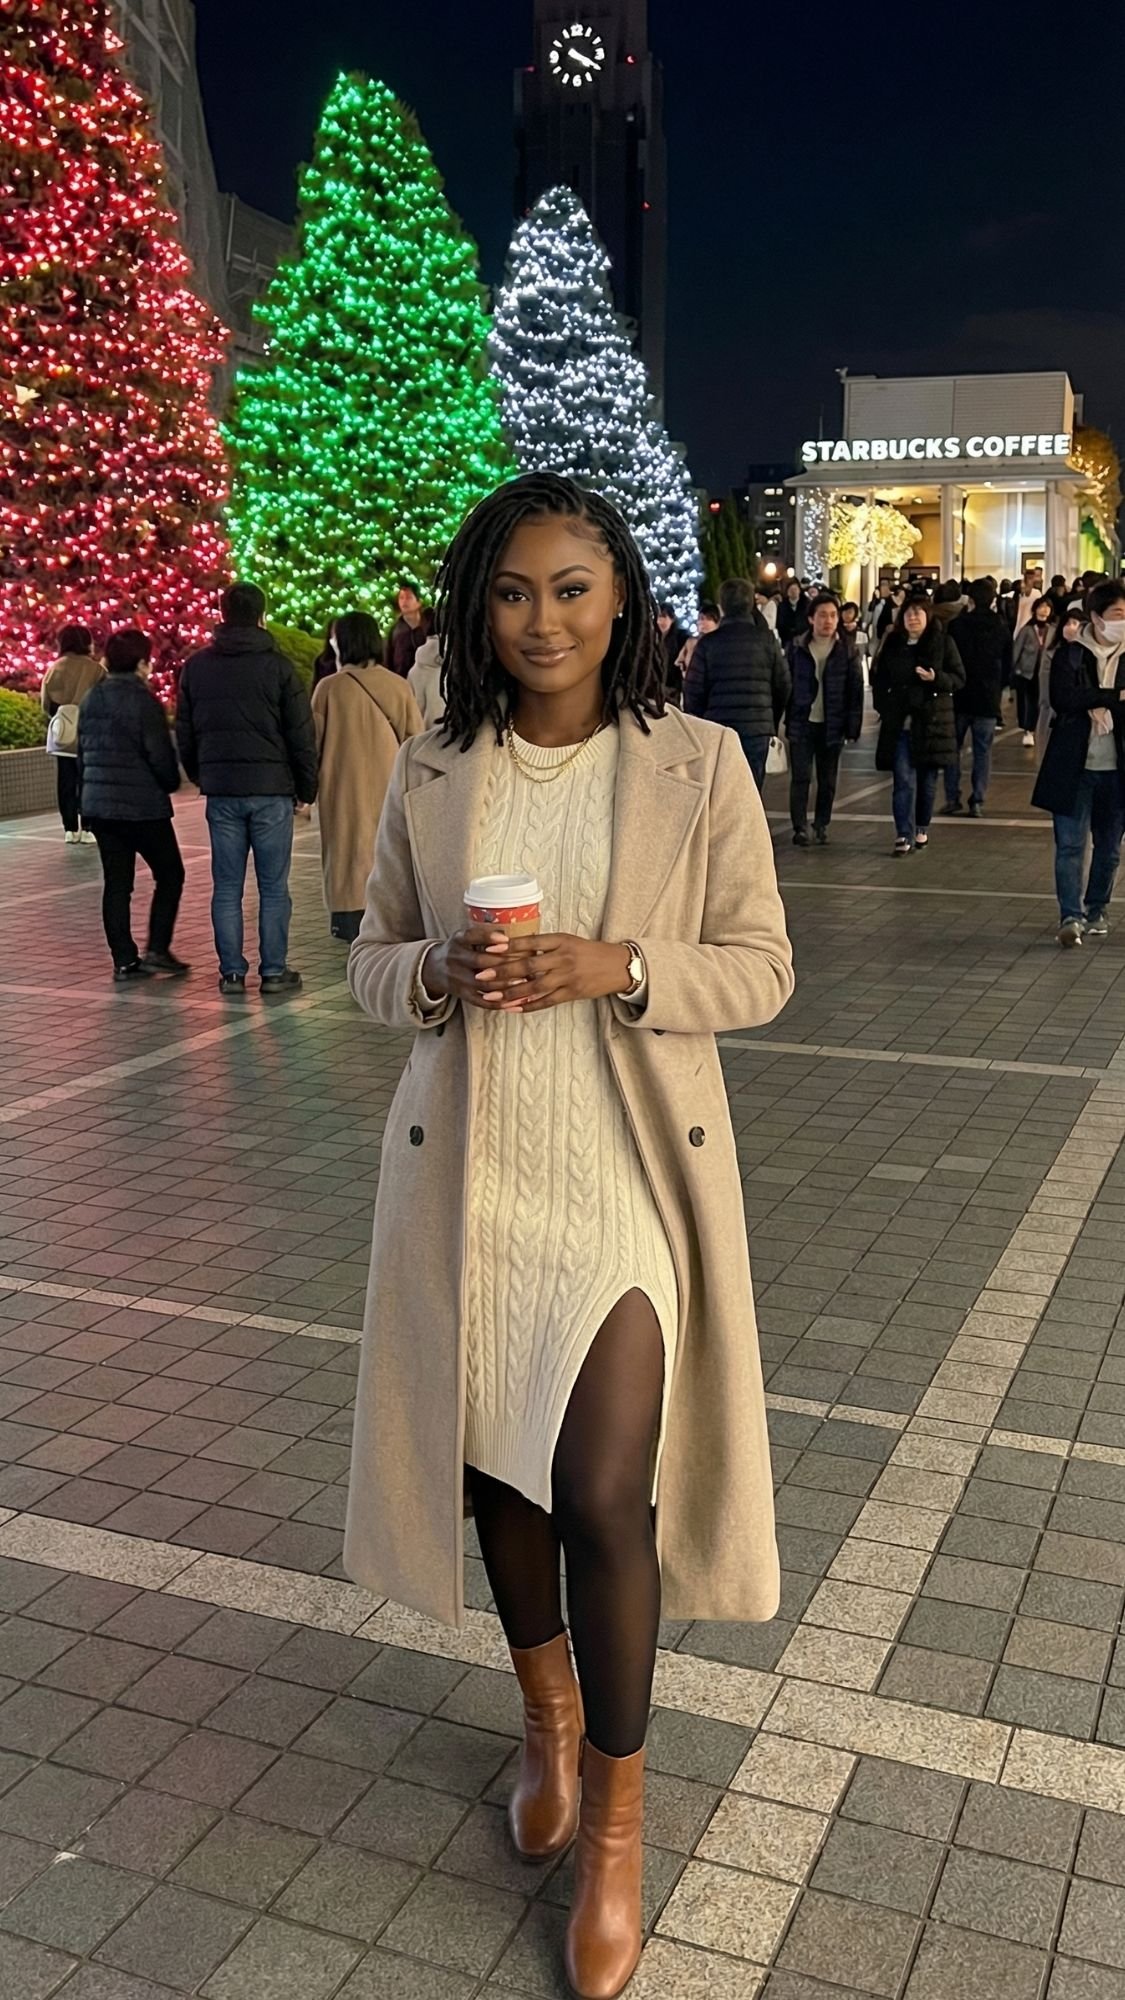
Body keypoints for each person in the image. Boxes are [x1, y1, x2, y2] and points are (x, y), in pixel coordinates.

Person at [344, 470, 793, 2000]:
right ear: (481, 606)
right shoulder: (434, 765)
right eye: (515, 591)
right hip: (475, 1176)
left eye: (572, 589)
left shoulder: (699, 761)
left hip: (624, 1184)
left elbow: (763, 970)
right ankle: (539, 1719)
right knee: (498, 1473)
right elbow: (367, 959)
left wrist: (623, 964)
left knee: (603, 1486)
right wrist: (430, 979)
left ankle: (615, 1821)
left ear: (623, 606)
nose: (543, 620)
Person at [176, 582, 317, 996]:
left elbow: (185, 730)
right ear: (261, 616)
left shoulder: (196, 667)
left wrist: (201, 774)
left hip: (222, 792)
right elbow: (300, 734)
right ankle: (274, 971)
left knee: (227, 885)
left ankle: (232, 973)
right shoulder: (278, 668)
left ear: (222, 614)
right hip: (272, 791)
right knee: (273, 886)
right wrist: (306, 786)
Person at [77, 629, 186, 982]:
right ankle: (157, 948)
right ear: (141, 663)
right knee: (170, 873)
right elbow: (160, 756)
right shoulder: (144, 702)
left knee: (117, 883)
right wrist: (171, 783)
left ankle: (124, 960)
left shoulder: (92, 698)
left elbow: (82, 754)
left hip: (100, 808)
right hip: (142, 808)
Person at [312, 612, 423, 944]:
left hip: (340, 792)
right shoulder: (397, 685)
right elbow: (416, 743)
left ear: (342, 643)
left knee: (346, 857)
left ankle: (348, 919)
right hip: (390, 790)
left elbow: (313, 745)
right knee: (388, 853)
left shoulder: (327, 689)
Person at [1033, 580, 1125, 947]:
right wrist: (1113, 696)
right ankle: (1070, 916)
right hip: (1075, 765)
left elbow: (1079, 698)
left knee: (1109, 847)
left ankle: (1096, 908)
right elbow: (1063, 699)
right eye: (1117, 614)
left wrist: (1095, 700)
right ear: (1096, 617)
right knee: (1070, 845)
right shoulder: (1071, 654)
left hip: (1117, 769)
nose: (1123, 620)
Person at [874, 591, 964, 855]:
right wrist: (885, 705)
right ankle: (903, 833)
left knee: (926, 782)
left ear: (928, 615)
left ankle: (921, 826)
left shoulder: (942, 642)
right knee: (902, 779)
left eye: (918, 612)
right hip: (900, 723)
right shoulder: (893, 642)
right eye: (909, 612)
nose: (913, 617)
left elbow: (959, 679)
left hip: (932, 723)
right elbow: (879, 678)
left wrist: (936, 678)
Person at [684, 575, 790, 790]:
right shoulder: (766, 640)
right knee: (751, 792)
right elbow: (783, 685)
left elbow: (693, 691)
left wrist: (703, 721)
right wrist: (770, 717)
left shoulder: (709, 644)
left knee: (721, 793)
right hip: (757, 728)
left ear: (722, 606)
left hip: (718, 729)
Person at [785, 593, 864, 846]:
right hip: (802, 722)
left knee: (827, 780)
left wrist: (853, 727)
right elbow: (785, 685)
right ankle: (799, 826)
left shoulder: (847, 651)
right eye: (822, 615)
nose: (828, 621)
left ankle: (821, 823)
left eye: (832, 615)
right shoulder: (797, 648)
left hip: (833, 723)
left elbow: (855, 691)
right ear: (811, 619)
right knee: (801, 778)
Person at [942, 579, 1012, 817]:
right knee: (983, 752)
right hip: (988, 698)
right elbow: (1008, 664)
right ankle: (978, 800)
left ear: (970, 600)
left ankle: (952, 798)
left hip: (959, 696)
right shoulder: (1001, 626)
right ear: (993, 600)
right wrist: (999, 687)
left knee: (954, 750)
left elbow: (947, 660)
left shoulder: (956, 626)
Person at [40, 625, 105, 843]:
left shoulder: (54, 669)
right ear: (86, 643)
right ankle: (88, 827)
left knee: (65, 780)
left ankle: (69, 828)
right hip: (89, 732)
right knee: (88, 779)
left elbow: (45, 704)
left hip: (63, 733)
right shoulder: (96, 669)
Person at [1012, 595, 1056, 745]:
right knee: (1028, 701)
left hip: (1045, 673)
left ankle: (1039, 729)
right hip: (1027, 672)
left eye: (1047, 607)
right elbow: (1016, 650)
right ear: (1035, 609)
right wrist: (1015, 669)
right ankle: (1028, 730)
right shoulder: (1027, 629)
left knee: (1043, 701)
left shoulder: (1053, 630)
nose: (1044, 610)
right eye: (1041, 607)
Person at [387, 582, 433, 678]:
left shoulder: (430, 625)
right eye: (401, 598)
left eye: (408, 597)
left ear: (419, 602)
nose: (404, 602)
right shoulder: (396, 630)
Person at [674, 599, 721, 691]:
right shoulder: (691, 642)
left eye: (709, 619)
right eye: (701, 618)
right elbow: (680, 662)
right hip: (692, 688)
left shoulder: (721, 643)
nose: (703, 622)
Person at [407, 629, 445, 727]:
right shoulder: (466, 666)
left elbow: (413, 710)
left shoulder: (414, 671)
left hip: (426, 736)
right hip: (458, 735)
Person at [777, 577, 809, 647]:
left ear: (799, 590)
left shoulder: (807, 604)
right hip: (787, 639)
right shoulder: (782, 606)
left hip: (804, 638)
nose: (793, 592)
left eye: (795, 589)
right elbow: (780, 623)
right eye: (791, 590)